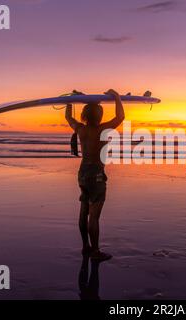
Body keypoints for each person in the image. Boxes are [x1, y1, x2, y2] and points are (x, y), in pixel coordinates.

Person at [65, 89, 125, 261]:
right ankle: (96, 252)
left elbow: (68, 118)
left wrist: (71, 100)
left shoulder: (80, 129)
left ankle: (85, 246)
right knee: (94, 216)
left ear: (84, 115)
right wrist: (117, 97)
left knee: (84, 210)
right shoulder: (103, 129)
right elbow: (120, 117)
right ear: (99, 115)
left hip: (82, 173)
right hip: (96, 175)